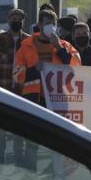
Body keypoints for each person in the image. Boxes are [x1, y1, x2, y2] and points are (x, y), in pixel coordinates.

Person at [14, 10, 80, 169]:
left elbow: (76, 68)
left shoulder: (65, 46)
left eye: (53, 24)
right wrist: (33, 70)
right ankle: (30, 176)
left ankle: (55, 175)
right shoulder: (26, 46)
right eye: (47, 23)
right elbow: (17, 74)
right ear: (39, 25)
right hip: (34, 99)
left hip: (58, 100)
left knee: (57, 141)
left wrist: (59, 48)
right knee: (33, 141)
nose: (50, 27)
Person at [0, 8, 29, 164]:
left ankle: (20, 162)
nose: (16, 21)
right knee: (0, 129)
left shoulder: (29, 41)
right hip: (2, 89)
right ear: (9, 20)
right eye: (14, 18)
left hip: (21, 92)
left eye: (19, 19)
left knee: (20, 130)